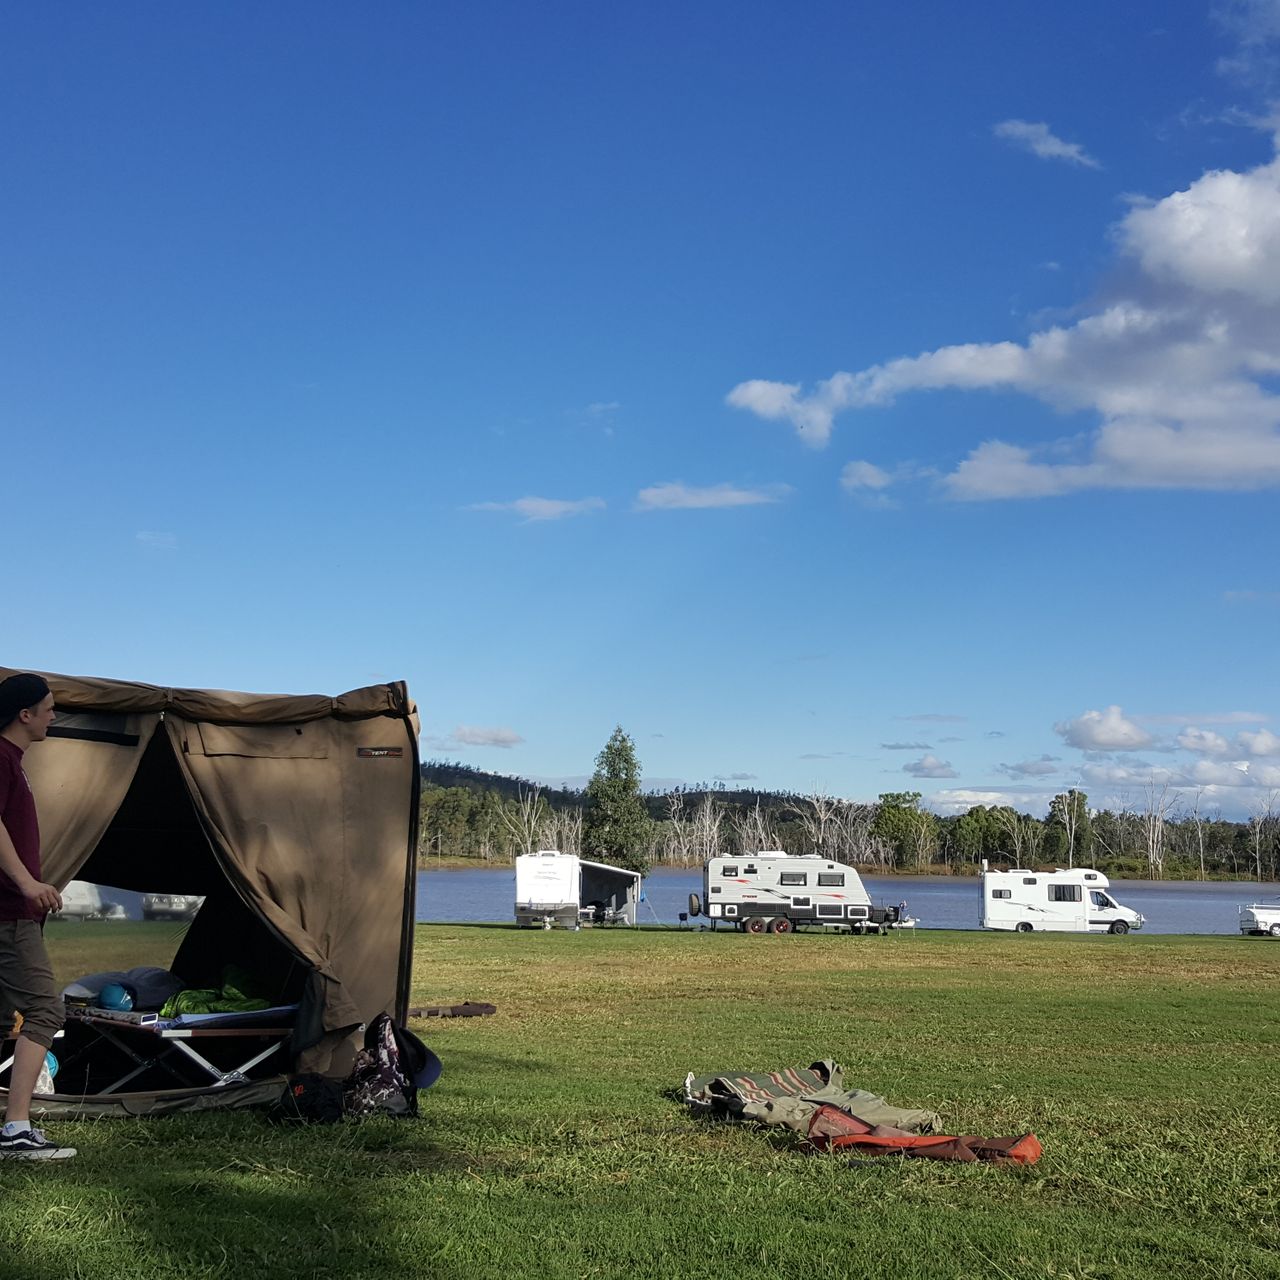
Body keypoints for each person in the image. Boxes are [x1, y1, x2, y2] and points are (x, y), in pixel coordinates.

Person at [0, 673, 74, 1159]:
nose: (53, 715)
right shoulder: (1, 757)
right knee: (45, 1011)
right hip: (6, 912)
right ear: (24, 714)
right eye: (48, 708)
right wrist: (27, 883)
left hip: (10, 910)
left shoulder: (13, 761)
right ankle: (16, 1130)